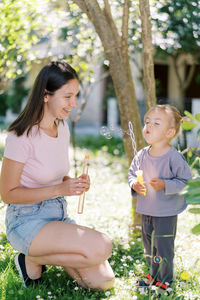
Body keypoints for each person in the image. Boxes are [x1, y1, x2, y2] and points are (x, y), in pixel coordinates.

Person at [0, 61, 115, 290]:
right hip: (26, 220)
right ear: (45, 95)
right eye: (67, 96)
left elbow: (56, 175)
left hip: (58, 214)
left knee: (103, 282)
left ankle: (36, 259)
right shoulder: (21, 136)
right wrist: (60, 190)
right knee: (103, 246)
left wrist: (70, 183)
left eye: (76, 96)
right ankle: (31, 256)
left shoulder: (61, 127)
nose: (74, 103)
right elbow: (7, 195)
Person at [128, 104, 192, 295]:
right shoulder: (141, 155)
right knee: (148, 245)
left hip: (166, 213)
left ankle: (166, 279)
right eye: (147, 122)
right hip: (146, 210)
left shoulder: (174, 158)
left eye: (156, 123)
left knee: (163, 247)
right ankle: (153, 273)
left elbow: (186, 182)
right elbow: (132, 174)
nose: (148, 126)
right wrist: (134, 184)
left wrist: (165, 184)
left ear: (170, 132)